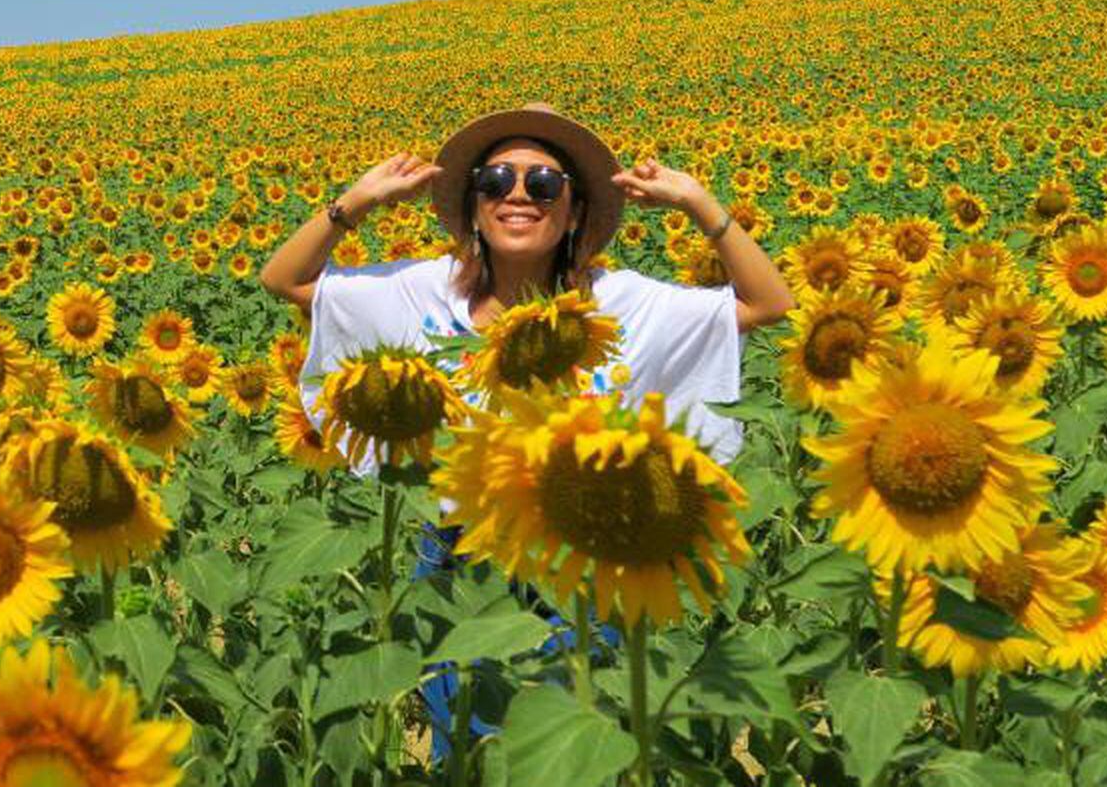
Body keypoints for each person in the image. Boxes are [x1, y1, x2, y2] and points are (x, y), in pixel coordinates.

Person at [257, 101, 796, 761]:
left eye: (543, 184)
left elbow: (768, 303)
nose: (517, 194)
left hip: (580, 560)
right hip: (460, 562)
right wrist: (358, 200)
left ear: (572, 211)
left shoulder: (618, 302)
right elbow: (283, 278)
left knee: (567, 755)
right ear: (475, 205)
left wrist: (699, 204)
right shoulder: (422, 293)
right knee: (468, 753)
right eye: (495, 180)